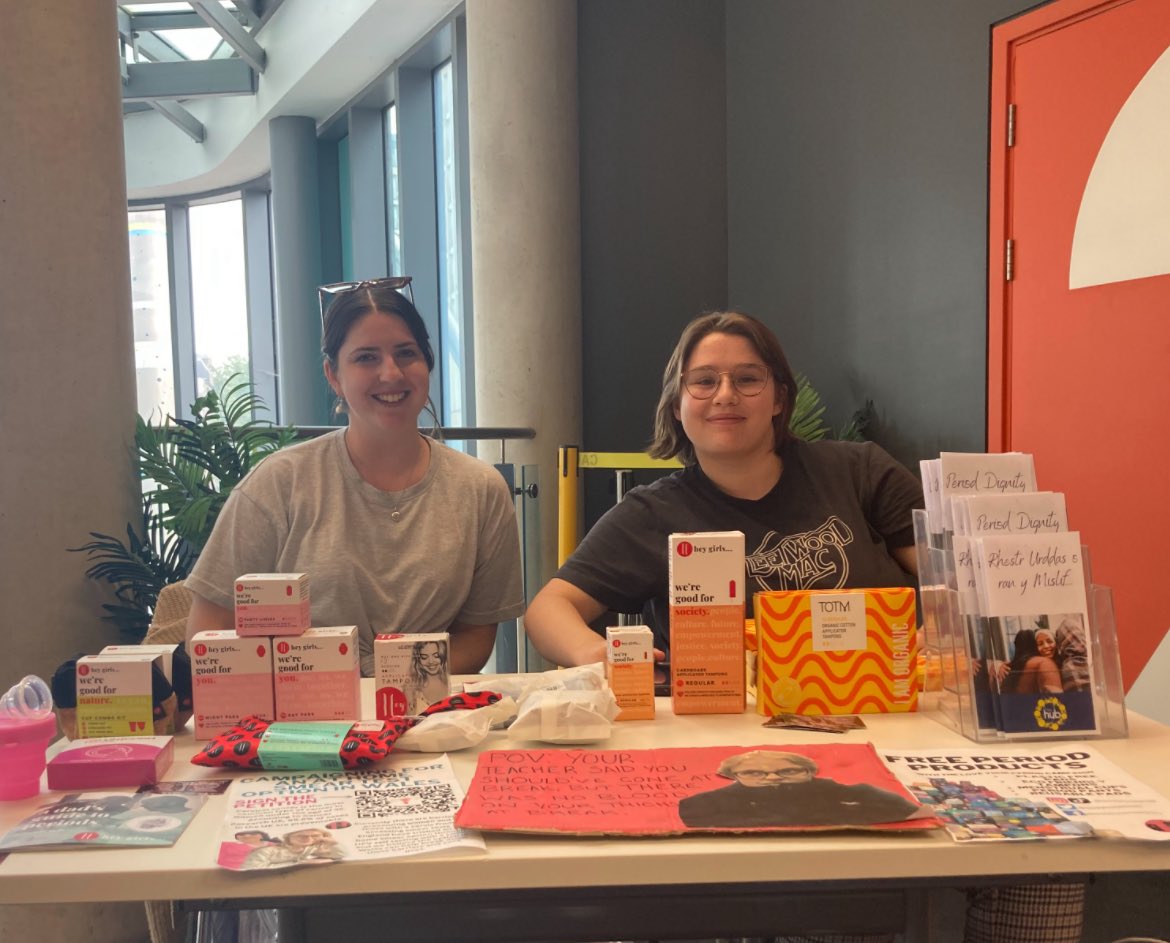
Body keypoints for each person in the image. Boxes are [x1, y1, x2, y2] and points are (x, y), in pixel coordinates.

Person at [524, 310, 1085, 943]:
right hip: (748, 749)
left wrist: (947, 623)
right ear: (677, 403)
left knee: (1047, 861)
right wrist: (604, 657)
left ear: (780, 397)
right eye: (703, 381)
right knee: (811, 889)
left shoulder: (858, 471)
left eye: (747, 378)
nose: (725, 395)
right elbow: (548, 609)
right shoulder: (652, 514)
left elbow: (949, 583)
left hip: (899, 727)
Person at [184, 278, 525, 676]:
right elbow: (209, 632)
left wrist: (387, 683)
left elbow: (476, 637)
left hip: (427, 719)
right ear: (333, 375)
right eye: (365, 358)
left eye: (406, 353)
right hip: (303, 726)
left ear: (428, 363)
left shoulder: (480, 490)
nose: (391, 373)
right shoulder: (279, 483)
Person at [678, 750, 919, 829]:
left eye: (788, 771)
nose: (773, 778)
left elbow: (902, 809)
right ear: (734, 777)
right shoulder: (706, 802)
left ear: (809, 773)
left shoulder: (831, 790)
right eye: (754, 773)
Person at [240, 827, 345, 870]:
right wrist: (300, 863)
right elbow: (252, 868)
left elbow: (341, 855)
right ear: (289, 837)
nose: (308, 839)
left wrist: (334, 843)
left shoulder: (315, 849)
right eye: (301, 836)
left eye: (315, 836)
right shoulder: (267, 851)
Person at [1002, 628, 1062, 695]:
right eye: (1040, 644)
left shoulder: (1064, 661)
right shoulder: (1042, 664)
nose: (1046, 646)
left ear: (1056, 643)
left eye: (1049, 641)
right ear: (1035, 647)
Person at [405, 638, 450, 713]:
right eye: (424, 657)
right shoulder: (411, 689)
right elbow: (410, 720)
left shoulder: (449, 684)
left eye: (436, 656)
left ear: (443, 656)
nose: (431, 661)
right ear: (418, 660)